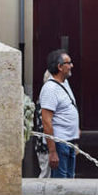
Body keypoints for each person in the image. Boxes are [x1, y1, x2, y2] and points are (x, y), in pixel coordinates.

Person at [39, 49, 79, 179]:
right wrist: (52, 152)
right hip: (59, 144)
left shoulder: (64, 83)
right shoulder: (50, 89)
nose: (72, 65)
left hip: (69, 141)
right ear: (60, 67)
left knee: (70, 178)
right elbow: (46, 122)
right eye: (69, 63)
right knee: (60, 184)